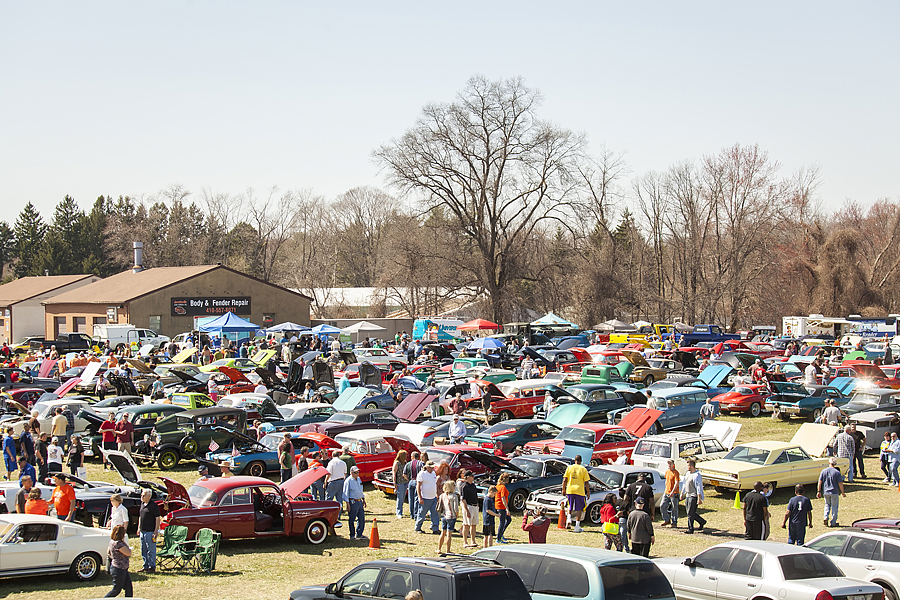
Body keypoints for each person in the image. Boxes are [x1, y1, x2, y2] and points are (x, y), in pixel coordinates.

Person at [562, 454, 590, 532]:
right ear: (581, 461)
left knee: (569, 505)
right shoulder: (583, 469)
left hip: (570, 489)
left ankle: (569, 518)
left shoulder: (569, 468)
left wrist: (563, 489)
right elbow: (586, 482)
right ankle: (577, 526)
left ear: (574, 460)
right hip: (579, 490)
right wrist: (588, 492)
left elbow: (564, 480)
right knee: (579, 508)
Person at [817, 456, 846, 527]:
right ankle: (833, 522)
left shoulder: (824, 471)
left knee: (827, 505)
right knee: (834, 507)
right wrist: (842, 492)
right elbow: (840, 483)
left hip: (826, 492)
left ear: (829, 463)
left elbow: (820, 482)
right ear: (835, 464)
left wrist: (819, 491)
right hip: (834, 492)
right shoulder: (837, 472)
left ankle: (825, 517)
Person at [106, 524, 133, 597]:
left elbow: (108, 552)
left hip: (120, 568)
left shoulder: (112, 542)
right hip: (119, 569)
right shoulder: (119, 544)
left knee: (128, 588)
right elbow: (128, 553)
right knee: (116, 590)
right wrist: (124, 543)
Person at [138, 489, 161, 573]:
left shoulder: (153, 506)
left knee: (151, 550)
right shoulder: (142, 504)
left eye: (143, 496)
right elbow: (140, 516)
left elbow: (157, 518)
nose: (142, 497)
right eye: (141, 495)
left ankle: (152, 566)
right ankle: (145, 565)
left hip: (150, 531)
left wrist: (155, 531)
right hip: (142, 531)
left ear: (149, 496)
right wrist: (138, 528)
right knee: (143, 549)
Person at [415, 461, 440, 534]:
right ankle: (418, 527)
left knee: (435, 513)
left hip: (433, 497)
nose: (432, 468)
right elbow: (418, 486)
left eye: (433, 467)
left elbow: (434, 484)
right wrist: (420, 497)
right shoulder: (422, 474)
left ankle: (435, 528)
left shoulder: (433, 473)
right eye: (430, 467)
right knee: (422, 513)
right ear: (427, 467)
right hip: (425, 497)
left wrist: (436, 495)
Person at [681, 458, 706, 534]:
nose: (687, 467)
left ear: (692, 466)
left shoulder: (697, 475)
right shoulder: (687, 474)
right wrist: (682, 494)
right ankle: (702, 521)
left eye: (688, 466)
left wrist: (699, 498)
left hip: (693, 495)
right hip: (688, 495)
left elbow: (699, 487)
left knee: (690, 513)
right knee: (690, 512)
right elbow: (685, 484)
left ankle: (690, 528)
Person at [343, 466, 367, 540]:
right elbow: (345, 493)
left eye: (357, 472)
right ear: (351, 473)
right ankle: (352, 535)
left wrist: (363, 499)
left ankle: (359, 533)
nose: (357, 474)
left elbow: (360, 489)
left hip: (359, 500)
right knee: (352, 519)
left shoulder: (359, 479)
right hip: (353, 502)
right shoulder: (348, 481)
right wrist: (347, 504)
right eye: (355, 472)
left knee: (361, 518)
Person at [437, 481, 459, 553]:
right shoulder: (454, 496)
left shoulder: (442, 495)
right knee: (449, 535)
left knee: (442, 533)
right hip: (451, 516)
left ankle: (439, 549)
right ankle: (448, 550)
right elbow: (456, 508)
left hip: (444, 515)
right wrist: (457, 515)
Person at [460, 470, 479, 548]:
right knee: (466, 524)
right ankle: (465, 542)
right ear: (467, 477)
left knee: (474, 524)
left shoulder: (473, 486)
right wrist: (466, 510)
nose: (473, 477)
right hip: (468, 506)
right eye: (471, 476)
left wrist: (477, 505)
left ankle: (473, 541)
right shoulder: (464, 486)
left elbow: (475, 496)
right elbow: (463, 499)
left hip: (474, 506)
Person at [404, 451, 424, 520]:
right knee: (416, 498)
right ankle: (416, 514)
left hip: (411, 481)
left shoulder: (408, 464)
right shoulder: (421, 463)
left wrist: (408, 480)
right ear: (418, 457)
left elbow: (404, 474)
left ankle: (411, 514)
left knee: (410, 498)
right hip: (418, 481)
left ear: (412, 457)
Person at [660, 460, 680, 528]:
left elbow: (676, 483)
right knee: (662, 505)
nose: (669, 465)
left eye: (670, 464)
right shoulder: (667, 471)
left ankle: (674, 522)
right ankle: (666, 519)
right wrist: (666, 489)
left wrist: (673, 491)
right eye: (668, 463)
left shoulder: (676, 472)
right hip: (666, 492)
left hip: (674, 493)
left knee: (674, 508)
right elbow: (666, 481)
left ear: (673, 464)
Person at [392, 449, 409, 518]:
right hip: (399, 483)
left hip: (405, 482)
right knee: (400, 497)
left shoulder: (405, 462)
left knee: (403, 497)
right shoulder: (397, 463)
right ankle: (398, 512)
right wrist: (394, 483)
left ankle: (401, 511)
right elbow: (394, 473)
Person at [495, 472, 512, 543]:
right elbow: (503, 498)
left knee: (508, 519)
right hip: (501, 506)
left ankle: (501, 534)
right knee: (502, 522)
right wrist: (507, 508)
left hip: (498, 505)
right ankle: (498, 538)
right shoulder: (502, 487)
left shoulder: (498, 486)